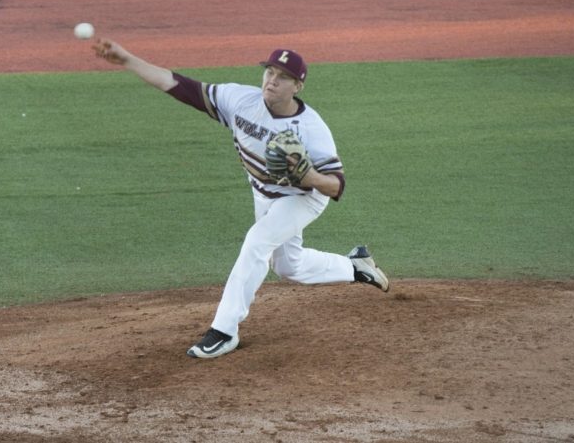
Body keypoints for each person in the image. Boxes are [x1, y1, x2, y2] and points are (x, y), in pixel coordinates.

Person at [93, 39, 390, 359]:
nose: (272, 81)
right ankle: (355, 266)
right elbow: (178, 85)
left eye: (282, 77)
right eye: (269, 72)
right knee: (289, 267)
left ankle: (224, 330)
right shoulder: (240, 100)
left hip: (302, 198)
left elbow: (336, 186)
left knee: (257, 242)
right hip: (263, 194)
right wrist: (127, 59)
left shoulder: (311, 128)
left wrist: (310, 177)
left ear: (298, 86)